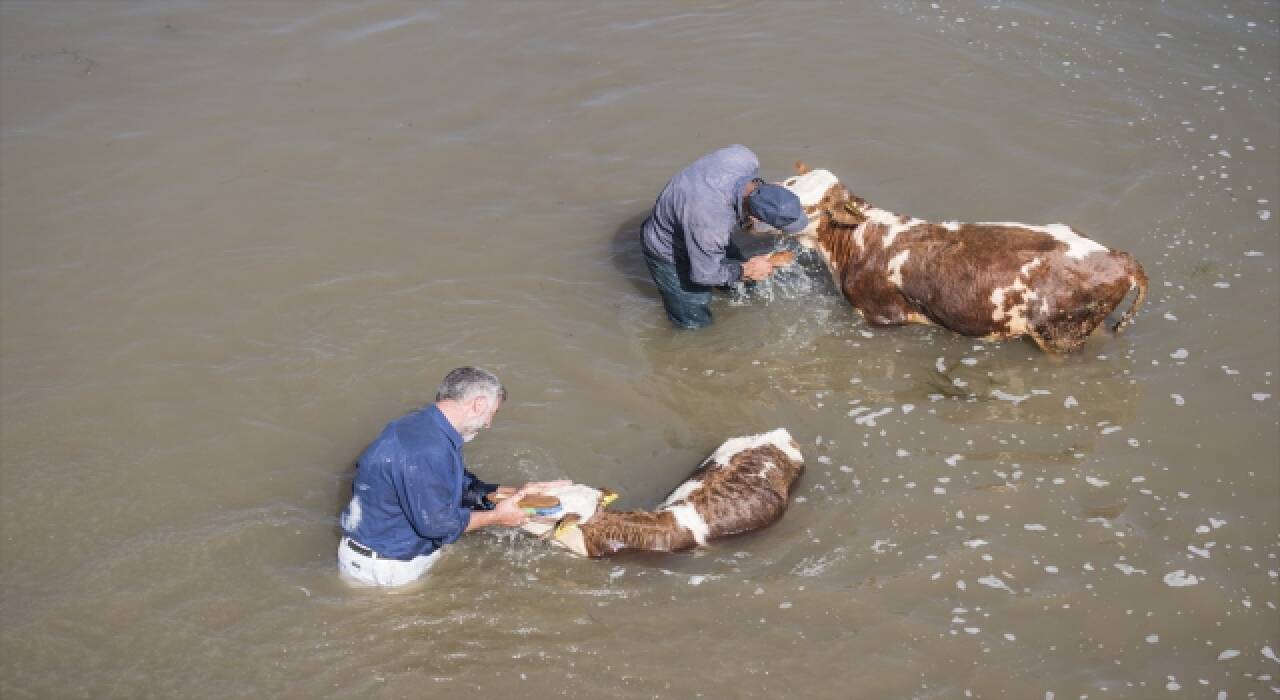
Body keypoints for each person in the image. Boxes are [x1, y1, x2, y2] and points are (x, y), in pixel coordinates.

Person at [337, 367, 568, 587]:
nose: (489, 424)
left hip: (371, 552)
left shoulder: (421, 427)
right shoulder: (428, 451)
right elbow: (438, 526)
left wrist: (512, 492)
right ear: (479, 404)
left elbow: (452, 483)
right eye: (493, 413)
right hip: (387, 568)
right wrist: (497, 517)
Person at [640, 144, 809, 329]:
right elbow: (704, 274)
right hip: (668, 250)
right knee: (696, 319)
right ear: (755, 217)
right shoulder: (711, 223)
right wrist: (746, 270)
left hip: (697, 222)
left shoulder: (744, 158)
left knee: (744, 286)